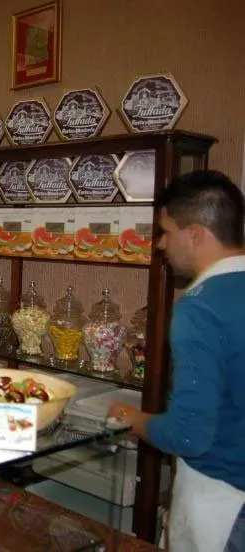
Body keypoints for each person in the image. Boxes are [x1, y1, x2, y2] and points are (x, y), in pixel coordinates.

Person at [108, 170, 245, 552]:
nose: (160, 244)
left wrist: (131, 419)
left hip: (224, 507)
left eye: (166, 231)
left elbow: (189, 434)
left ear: (196, 234)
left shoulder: (200, 307)